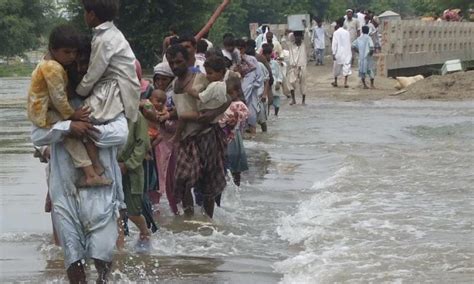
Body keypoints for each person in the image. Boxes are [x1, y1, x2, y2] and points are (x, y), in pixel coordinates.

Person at [27, 24, 113, 188]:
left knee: (76, 132)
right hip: (45, 112)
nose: (71, 57)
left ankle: (92, 169)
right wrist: (71, 117)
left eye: (74, 52)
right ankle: (91, 171)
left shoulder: (49, 63)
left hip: (46, 110)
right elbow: (58, 98)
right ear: (53, 49)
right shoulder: (52, 67)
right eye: (67, 52)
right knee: (73, 133)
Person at [165, 44, 228, 218]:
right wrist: (168, 114)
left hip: (206, 135)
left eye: (178, 61)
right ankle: (189, 220)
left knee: (208, 183)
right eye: (171, 63)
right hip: (186, 138)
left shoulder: (200, 79)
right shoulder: (174, 85)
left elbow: (227, 97)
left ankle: (207, 222)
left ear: (188, 61)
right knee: (183, 180)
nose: (175, 66)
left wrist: (213, 113)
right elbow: (183, 109)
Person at [117, 111, 152, 251]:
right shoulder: (107, 112)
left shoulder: (136, 117)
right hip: (110, 168)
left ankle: (144, 232)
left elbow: (143, 143)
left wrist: (128, 164)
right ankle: (120, 249)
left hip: (132, 170)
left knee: (133, 212)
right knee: (115, 212)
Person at [173, 55, 228, 141]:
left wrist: (192, 92)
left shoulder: (213, 85)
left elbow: (202, 97)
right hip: (214, 115)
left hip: (204, 113)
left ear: (221, 72)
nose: (207, 76)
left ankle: (177, 136)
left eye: (210, 73)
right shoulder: (223, 84)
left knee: (183, 116)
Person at [220, 76, 249, 189]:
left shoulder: (239, 105)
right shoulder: (222, 104)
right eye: (226, 93)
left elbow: (246, 114)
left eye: (231, 93)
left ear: (237, 92)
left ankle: (237, 186)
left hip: (233, 136)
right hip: (222, 136)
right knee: (224, 162)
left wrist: (237, 116)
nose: (229, 96)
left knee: (235, 164)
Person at [235, 38, 258, 135]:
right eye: (237, 49)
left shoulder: (251, 60)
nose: (239, 51)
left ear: (244, 49)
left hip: (251, 95)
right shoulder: (233, 61)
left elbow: (256, 73)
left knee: (252, 120)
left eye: (241, 49)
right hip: (237, 96)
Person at [287, 31, 308, 105]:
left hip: (302, 66)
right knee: (291, 82)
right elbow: (290, 36)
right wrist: (294, 29)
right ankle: (293, 99)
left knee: (303, 83)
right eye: (296, 36)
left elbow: (307, 34)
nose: (297, 38)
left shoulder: (304, 44)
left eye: (299, 36)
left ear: (301, 37)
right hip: (293, 67)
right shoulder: (291, 45)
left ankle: (303, 100)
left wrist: (303, 27)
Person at [332, 17, 352, 88]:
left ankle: (335, 81)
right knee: (346, 67)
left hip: (338, 52)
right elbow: (349, 43)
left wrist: (333, 53)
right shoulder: (347, 32)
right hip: (346, 52)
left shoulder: (335, 33)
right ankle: (345, 83)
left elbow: (334, 44)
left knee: (336, 67)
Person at [264, 46, 283, 116]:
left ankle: (276, 115)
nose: (267, 56)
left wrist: (279, 82)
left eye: (268, 54)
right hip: (267, 86)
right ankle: (267, 115)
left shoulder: (275, 63)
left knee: (277, 103)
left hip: (275, 85)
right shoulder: (262, 64)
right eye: (265, 55)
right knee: (267, 102)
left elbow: (280, 74)